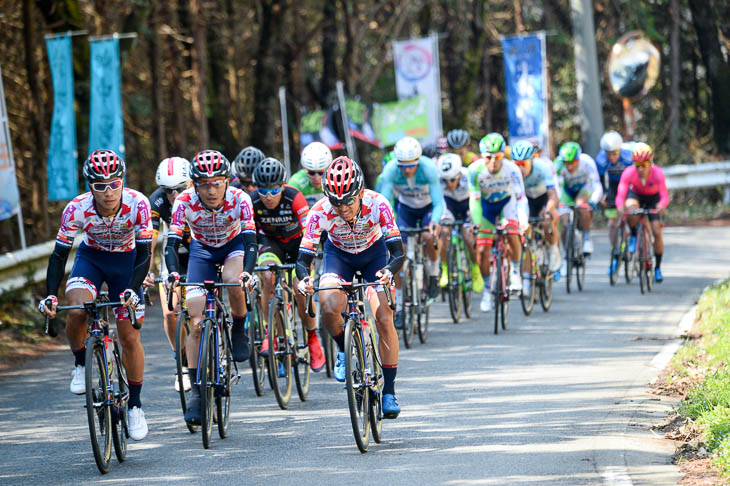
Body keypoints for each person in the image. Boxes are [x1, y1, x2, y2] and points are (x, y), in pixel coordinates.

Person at [38, 149, 151, 440]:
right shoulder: (76, 208)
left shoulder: (138, 203)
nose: (109, 191)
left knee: (129, 337)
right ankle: (80, 362)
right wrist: (51, 295)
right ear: (90, 187)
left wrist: (132, 288)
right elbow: (59, 256)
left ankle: (135, 405)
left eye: (114, 183)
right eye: (101, 186)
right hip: (92, 260)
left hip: (127, 264)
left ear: (123, 180)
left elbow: (145, 254)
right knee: (76, 310)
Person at [295, 156, 405, 418]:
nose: (342, 207)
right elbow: (303, 260)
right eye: (335, 201)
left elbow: (398, 253)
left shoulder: (378, 203)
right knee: (329, 303)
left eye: (348, 201)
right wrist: (305, 280)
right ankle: (344, 348)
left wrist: (389, 272)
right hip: (339, 256)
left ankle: (389, 391)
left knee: (384, 317)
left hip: (374, 255)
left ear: (361, 193)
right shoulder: (320, 210)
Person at [164, 149, 257, 425]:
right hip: (201, 252)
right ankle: (196, 392)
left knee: (232, 279)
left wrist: (248, 273)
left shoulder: (240, 199)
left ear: (227, 181)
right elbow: (172, 244)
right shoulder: (183, 202)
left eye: (217, 182)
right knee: (195, 322)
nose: (212, 190)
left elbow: (251, 242)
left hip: (233, 246)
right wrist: (172, 273)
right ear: (194, 185)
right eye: (204, 184)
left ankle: (239, 329)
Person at [249, 157, 325, 371]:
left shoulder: (295, 197)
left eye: (273, 191)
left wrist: (309, 258)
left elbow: (310, 231)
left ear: (282, 186)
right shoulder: (252, 200)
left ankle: (312, 339)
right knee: (267, 277)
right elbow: (248, 234)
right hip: (271, 244)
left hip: (297, 244)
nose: (268, 197)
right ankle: (269, 334)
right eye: (263, 191)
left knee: (300, 290)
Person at [378, 136, 444, 324]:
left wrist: (435, 221)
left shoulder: (428, 168)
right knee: (398, 254)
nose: (406, 170)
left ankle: (433, 273)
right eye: (402, 166)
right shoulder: (391, 169)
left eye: (411, 165)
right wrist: (386, 226)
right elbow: (385, 202)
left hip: (427, 208)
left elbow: (439, 202)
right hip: (406, 209)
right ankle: (398, 306)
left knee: (428, 235)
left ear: (418, 161)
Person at [143, 157, 193, 391]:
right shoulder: (157, 201)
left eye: (179, 189)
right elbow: (150, 238)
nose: (173, 195)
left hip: (200, 250)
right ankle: (181, 360)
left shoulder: (201, 194)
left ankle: (217, 345)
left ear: (191, 183)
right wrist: (146, 269)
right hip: (173, 253)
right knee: (170, 312)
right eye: (168, 190)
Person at [468, 132, 528, 312]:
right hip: (486, 208)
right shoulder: (474, 170)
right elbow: (474, 199)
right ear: (482, 157)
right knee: (481, 250)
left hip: (506, 204)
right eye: (488, 157)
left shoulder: (512, 169)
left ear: (504, 155)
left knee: (512, 231)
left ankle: (516, 272)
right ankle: (488, 290)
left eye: (498, 157)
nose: (493, 162)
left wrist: (522, 220)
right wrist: (477, 222)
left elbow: (520, 198)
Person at [615, 142, 669, 283]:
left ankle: (657, 267)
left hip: (653, 198)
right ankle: (633, 234)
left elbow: (664, 195)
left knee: (657, 231)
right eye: (637, 165)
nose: (640, 169)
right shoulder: (629, 172)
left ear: (650, 162)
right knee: (631, 209)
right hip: (636, 196)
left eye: (644, 165)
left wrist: (661, 206)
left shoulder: (657, 173)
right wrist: (620, 206)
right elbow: (621, 193)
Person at [511, 140, 562, 277]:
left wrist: (548, 210)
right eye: (517, 164)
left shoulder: (543, 167)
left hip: (543, 198)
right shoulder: (511, 171)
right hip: (526, 201)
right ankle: (527, 275)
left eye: (524, 164)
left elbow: (553, 195)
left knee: (548, 220)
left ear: (532, 160)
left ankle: (553, 250)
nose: (521, 169)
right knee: (525, 233)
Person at [553, 142, 603, 277]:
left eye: (573, 162)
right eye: (566, 163)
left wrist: (592, 201)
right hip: (567, 191)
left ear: (578, 159)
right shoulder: (557, 164)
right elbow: (553, 186)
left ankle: (586, 238)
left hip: (584, 188)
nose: (569, 166)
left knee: (581, 205)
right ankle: (567, 254)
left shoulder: (587, 162)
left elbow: (597, 185)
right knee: (563, 224)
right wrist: (556, 203)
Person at [435, 153, 482, 292]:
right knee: (444, 232)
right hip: (450, 205)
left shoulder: (470, 176)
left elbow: (478, 197)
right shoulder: (438, 179)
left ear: (460, 174)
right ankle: (444, 268)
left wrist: (475, 216)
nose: (449, 184)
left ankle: (475, 269)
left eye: (453, 180)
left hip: (468, 204)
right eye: (446, 180)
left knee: (469, 235)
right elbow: (438, 202)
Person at [595, 131, 633, 276]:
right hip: (613, 186)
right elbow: (598, 179)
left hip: (629, 186)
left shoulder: (628, 157)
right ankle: (616, 251)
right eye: (608, 154)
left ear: (620, 150)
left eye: (615, 153)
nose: (612, 157)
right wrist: (603, 194)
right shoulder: (600, 159)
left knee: (630, 214)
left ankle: (632, 237)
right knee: (612, 223)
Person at [289, 141, 332, 207]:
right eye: (311, 173)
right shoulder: (295, 182)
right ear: (304, 169)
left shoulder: (338, 179)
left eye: (321, 173)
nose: (316, 178)